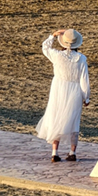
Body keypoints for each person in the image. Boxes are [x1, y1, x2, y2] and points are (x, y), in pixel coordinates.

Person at [35, 28, 89, 162]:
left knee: (56, 117)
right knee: (73, 120)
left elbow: (45, 47)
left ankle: (55, 153)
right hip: (74, 90)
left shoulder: (57, 55)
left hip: (58, 88)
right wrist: (86, 96)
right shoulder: (81, 59)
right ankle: (72, 152)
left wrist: (52, 36)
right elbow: (84, 79)